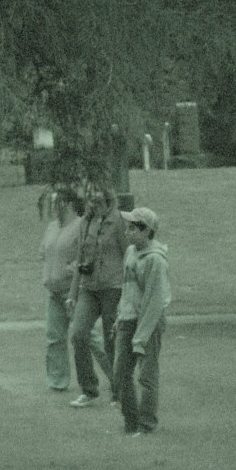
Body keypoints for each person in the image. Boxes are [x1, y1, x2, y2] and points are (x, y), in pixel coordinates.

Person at [39, 187, 110, 391]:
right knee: (54, 338)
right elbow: (43, 252)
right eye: (52, 203)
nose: (53, 207)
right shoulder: (52, 227)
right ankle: (57, 382)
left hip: (74, 291)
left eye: (56, 202)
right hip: (53, 291)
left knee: (89, 337)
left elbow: (92, 254)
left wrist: (75, 267)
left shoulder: (81, 226)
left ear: (69, 204)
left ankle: (117, 373)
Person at [66, 182, 129, 407]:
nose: (92, 198)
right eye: (89, 194)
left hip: (113, 287)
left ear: (107, 194)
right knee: (79, 335)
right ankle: (89, 390)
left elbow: (128, 255)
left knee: (112, 341)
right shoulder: (85, 222)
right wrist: (72, 294)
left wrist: (129, 292)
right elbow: (80, 259)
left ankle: (120, 392)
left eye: (96, 193)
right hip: (89, 288)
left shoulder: (119, 220)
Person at [113, 207, 171, 435]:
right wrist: (120, 315)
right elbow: (127, 290)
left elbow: (154, 302)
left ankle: (146, 425)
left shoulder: (155, 261)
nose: (127, 232)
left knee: (146, 376)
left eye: (133, 228)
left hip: (148, 323)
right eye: (127, 227)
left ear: (147, 231)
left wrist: (141, 337)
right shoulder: (130, 252)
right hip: (127, 320)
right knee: (120, 373)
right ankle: (130, 422)